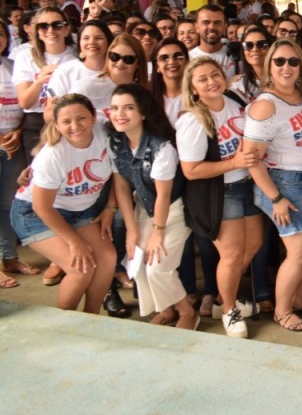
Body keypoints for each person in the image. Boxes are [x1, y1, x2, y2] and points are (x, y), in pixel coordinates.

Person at [243, 38, 302, 333]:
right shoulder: (265, 105)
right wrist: (275, 197)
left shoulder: (301, 94)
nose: (286, 67)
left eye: (293, 61)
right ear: (269, 66)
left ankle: (301, 297)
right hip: (283, 182)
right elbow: (251, 159)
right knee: (301, 251)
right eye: (279, 61)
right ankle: (282, 310)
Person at [177, 57, 262, 338]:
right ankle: (229, 311)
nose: (211, 81)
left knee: (253, 246)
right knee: (232, 254)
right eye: (202, 79)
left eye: (215, 74)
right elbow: (191, 170)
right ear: (193, 88)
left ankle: (223, 301)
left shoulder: (234, 100)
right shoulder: (193, 120)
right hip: (220, 193)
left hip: (247, 184)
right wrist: (234, 164)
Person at [10, 94, 118, 312]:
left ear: (93, 117)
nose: (75, 126)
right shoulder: (52, 156)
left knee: (107, 257)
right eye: (66, 122)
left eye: (81, 118)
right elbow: (42, 207)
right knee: (81, 268)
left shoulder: (104, 135)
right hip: (34, 213)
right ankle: (64, 327)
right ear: (56, 125)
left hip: (78, 210)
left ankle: (92, 318)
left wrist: (110, 208)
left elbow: (118, 176)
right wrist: (74, 242)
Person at [107, 84, 197, 330]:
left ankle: (187, 311)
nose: (119, 114)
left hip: (172, 211)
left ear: (143, 112)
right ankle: (166, 310)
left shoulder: (162, 148)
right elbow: (122, 188)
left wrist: (157, 232)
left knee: (157, 267)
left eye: (128, 108)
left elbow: (163, 195)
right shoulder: (116, 142)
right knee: (139, 264)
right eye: (114, 108)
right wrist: (131, 229)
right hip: (141, 211)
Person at [13, 7, 77, 163]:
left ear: (66, 29)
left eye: (57, 24)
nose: (50, 30)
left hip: (71, 121)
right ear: (36, 31)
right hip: (36, 124)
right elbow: (24, 102)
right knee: (37, 176)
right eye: (44, 26)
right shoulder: (25, 57)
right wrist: (39, 81)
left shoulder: (76, 56)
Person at [0, 26, 33, 285]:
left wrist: (18, 131)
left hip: (13, 142)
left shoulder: (13, 66)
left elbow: (27, 103)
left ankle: (9, 256)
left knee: (8, 203)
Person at [47, 21, 112, 100]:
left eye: (98, 38)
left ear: (108, 42)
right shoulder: (64, 71)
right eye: (86, 38)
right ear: (79, 43)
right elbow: (52, 105)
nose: (91, 42)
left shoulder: (118, 71)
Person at [190, 4, 237, 78]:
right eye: (206, 22)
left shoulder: (236, 55)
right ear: (196, 27)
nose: (212, 27)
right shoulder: (189, 59)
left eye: (217, 23)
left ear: (225, 27)